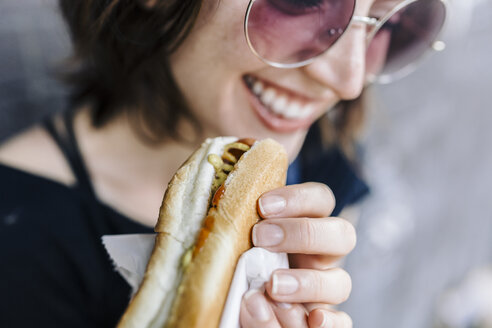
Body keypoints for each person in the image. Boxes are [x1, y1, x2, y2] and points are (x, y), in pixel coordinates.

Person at [0, 0, 447, 327]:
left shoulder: (323, 152)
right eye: (304, 2)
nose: (348, 81)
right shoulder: (18, 245)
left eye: (393, 21)